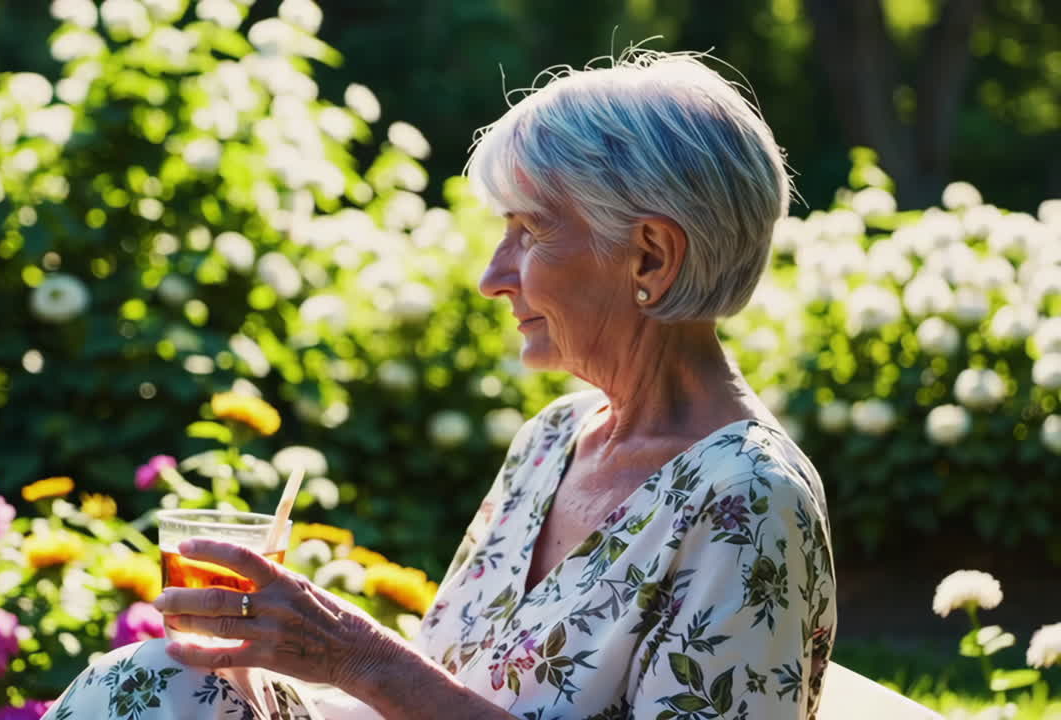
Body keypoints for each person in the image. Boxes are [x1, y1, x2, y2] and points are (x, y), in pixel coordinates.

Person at [44, 49, 837, 720]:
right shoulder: (556, 438)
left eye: (529, 230)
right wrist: (278, 664)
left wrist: (358, 656)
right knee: (155, 680)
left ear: (652, 258)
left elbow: (404, 683)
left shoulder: (748, 500)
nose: (494, 276)